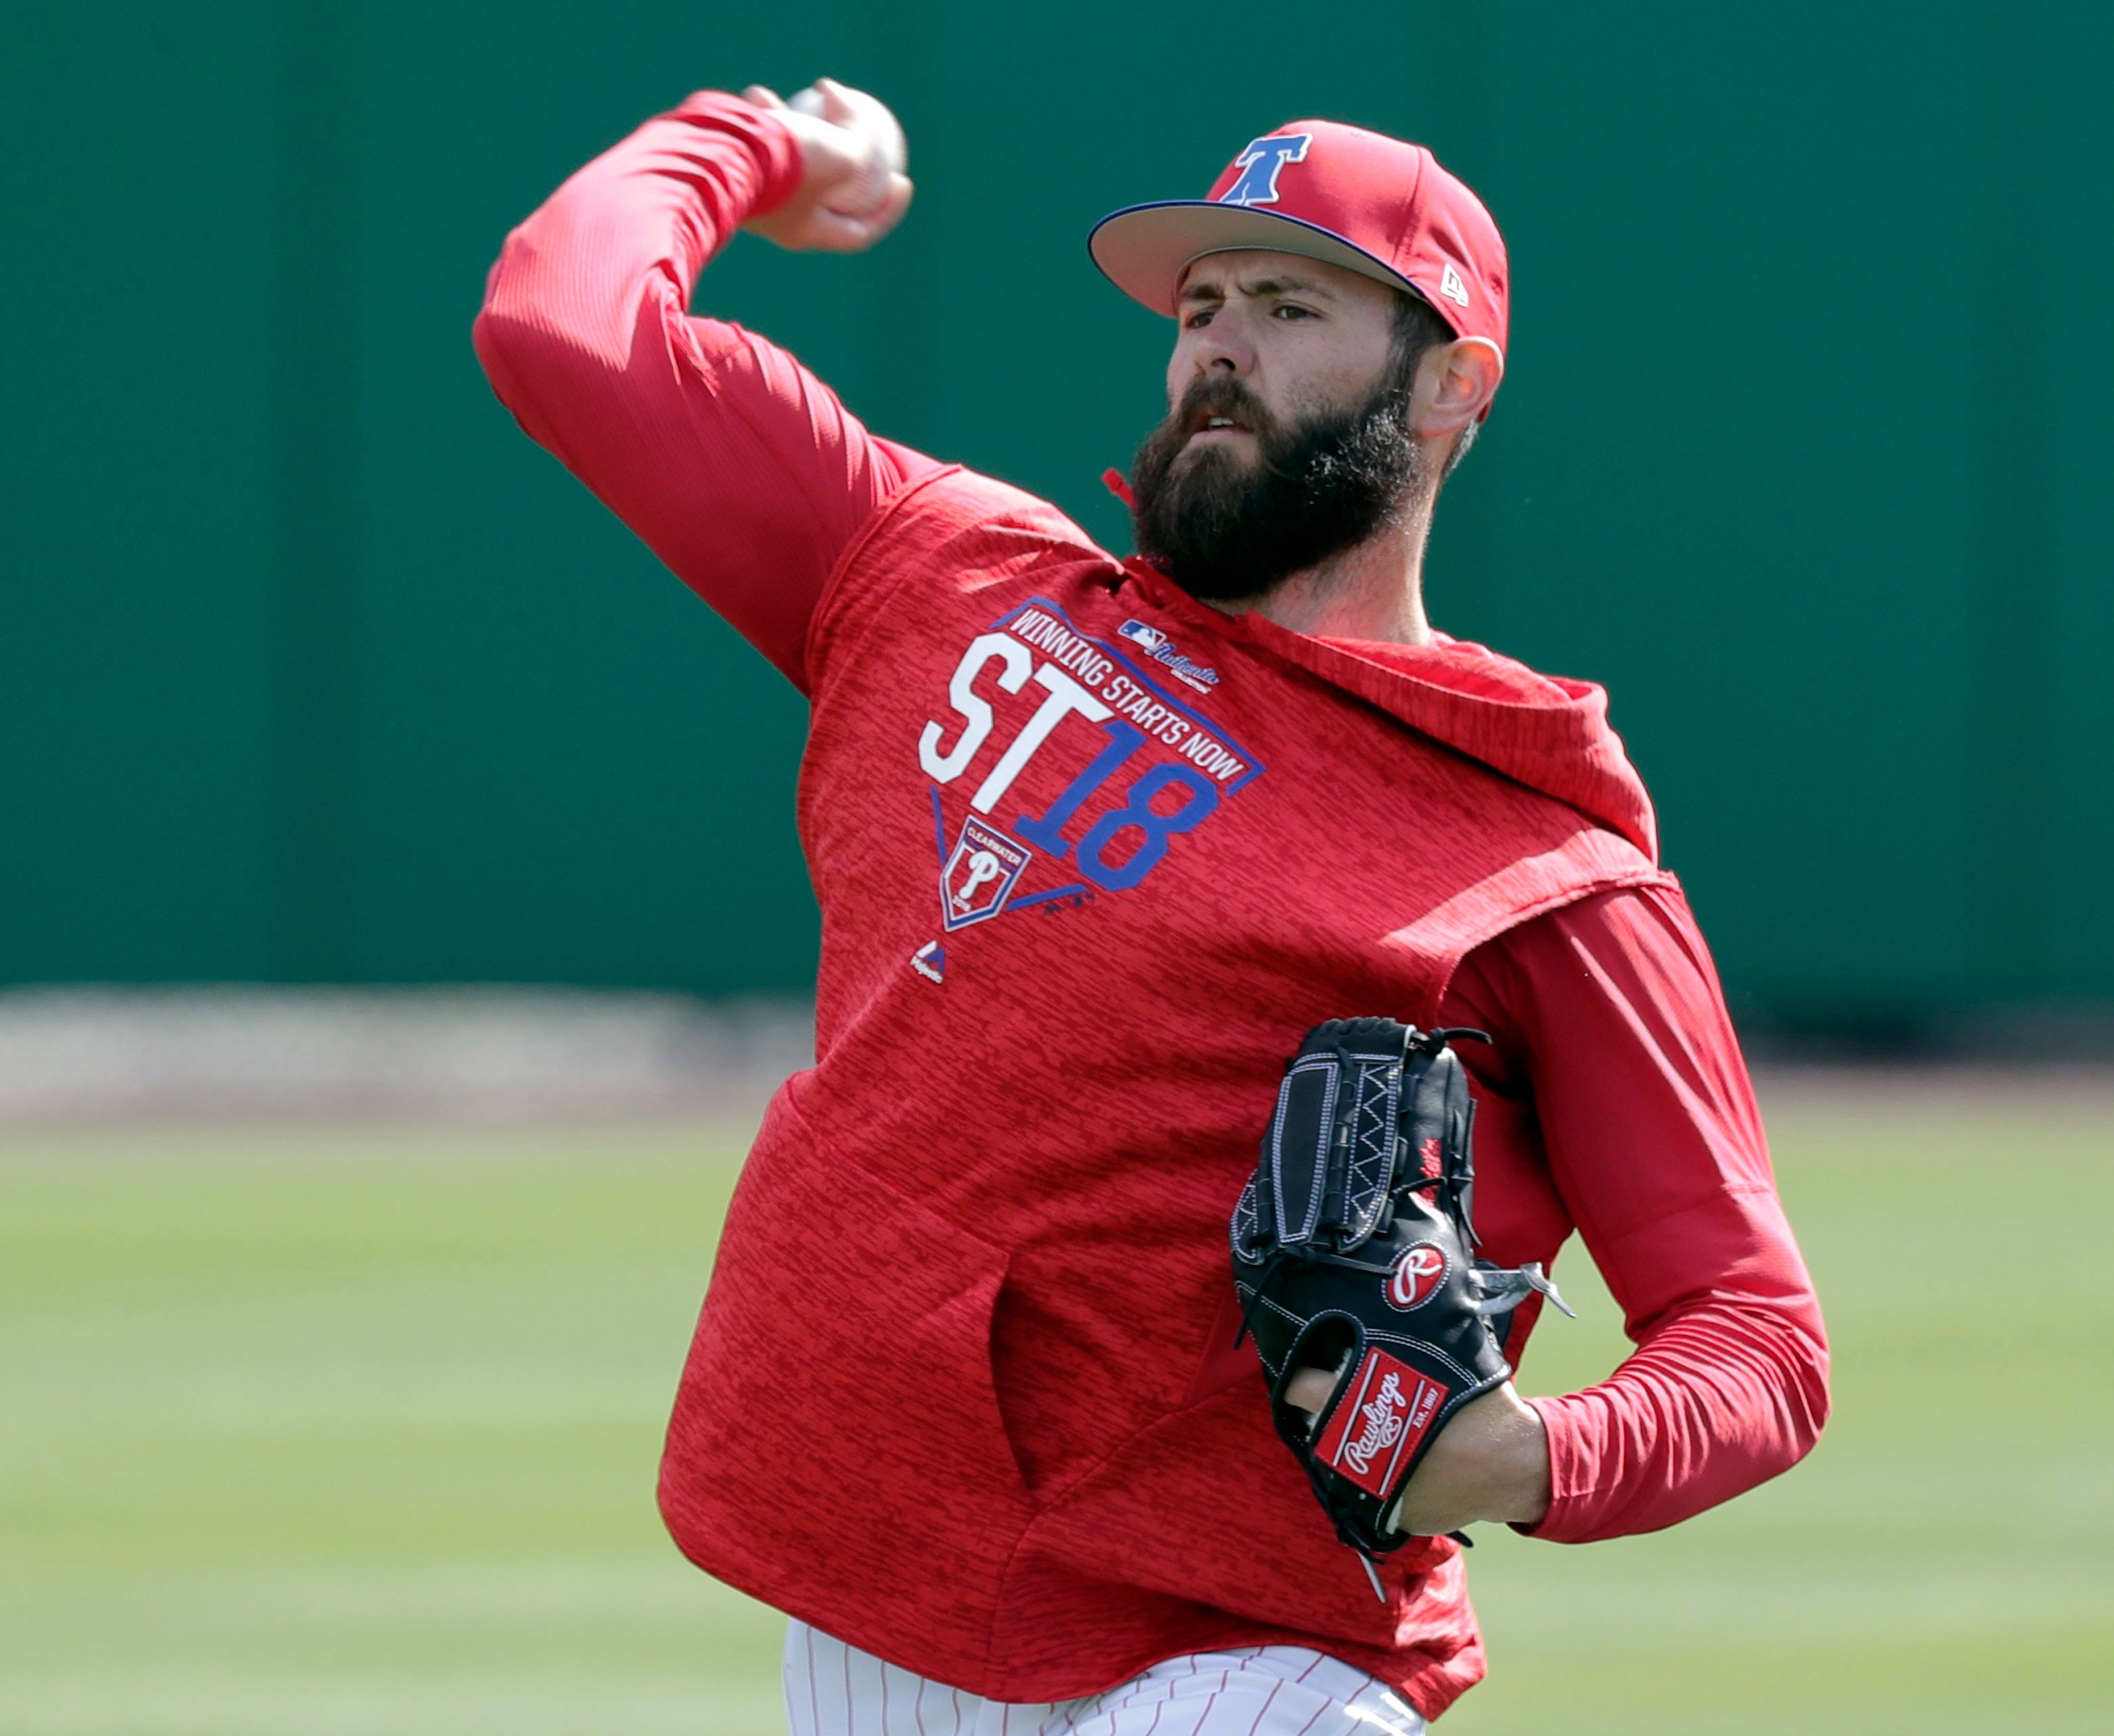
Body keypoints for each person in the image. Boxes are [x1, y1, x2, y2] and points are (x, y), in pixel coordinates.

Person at [473, 78, 1830, 1734]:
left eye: (1289, 303)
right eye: (1199, 307)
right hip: (893, 1584)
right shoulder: (944, 574)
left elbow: (1755, 1338)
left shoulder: (1534, 864)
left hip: (1261, 1648)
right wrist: (758, 143)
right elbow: (563, 327)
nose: (1219, 348)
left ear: (1450, 387)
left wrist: (1535, 1454)